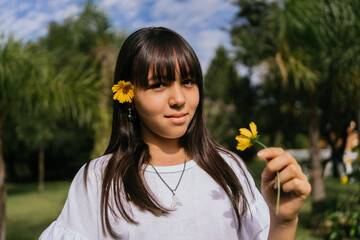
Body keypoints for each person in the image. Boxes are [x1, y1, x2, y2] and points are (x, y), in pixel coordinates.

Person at [39, 27, 311, 240]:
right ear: (129, 96)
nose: (179, 98)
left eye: (188, 81)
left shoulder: (229, 167)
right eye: (158, 85)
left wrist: (284, 221)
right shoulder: (99, 179)